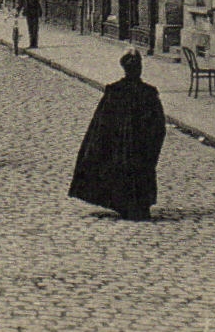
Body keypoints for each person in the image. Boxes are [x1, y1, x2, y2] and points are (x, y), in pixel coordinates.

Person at [69, 49, 166, 221]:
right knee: (140, 173)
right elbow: (159, 126)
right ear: (140, 69)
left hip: (119, 149)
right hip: (141, 150)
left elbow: (100, 126)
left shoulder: (114, 92)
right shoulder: (149, 93)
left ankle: (123, 204)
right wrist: (151, 147)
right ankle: (138, 205)